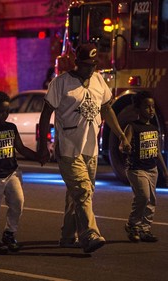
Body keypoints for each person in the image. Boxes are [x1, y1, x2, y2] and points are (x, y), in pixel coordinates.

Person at [38, 43, 131, 253]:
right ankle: (89, 234)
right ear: (76, 62)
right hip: (69, 149)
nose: (90, 68)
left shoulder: (98, 80)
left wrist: (121, 135)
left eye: (93, 64)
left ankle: (67, 236)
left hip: (90, 149)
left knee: (78, 194)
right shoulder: (60, 83)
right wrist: (43, 146)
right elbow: (46, 114)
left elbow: (106, 108)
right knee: (82, 190)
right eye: (86, 65)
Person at [0, 91, 42, 254]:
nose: (5, 114)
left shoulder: (11, 127)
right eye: (1, 111)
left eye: (7, 111)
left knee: (18, 202)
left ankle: (9, 233)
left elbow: (20, 148)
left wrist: (37, 156)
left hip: (12, 172)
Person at [122, 91, 168, 243]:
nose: (151, 110)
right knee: (143, 196)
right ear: (137, 109)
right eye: (147, 107)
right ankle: (132, 225)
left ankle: (145, 229)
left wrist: (165, 170)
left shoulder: (154, 128)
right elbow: (123, 144)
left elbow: (157, 152)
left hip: (152, 169)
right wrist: (125, 147)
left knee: (152, 201)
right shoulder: (132, 127)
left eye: (153, 107)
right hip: (136, 169)